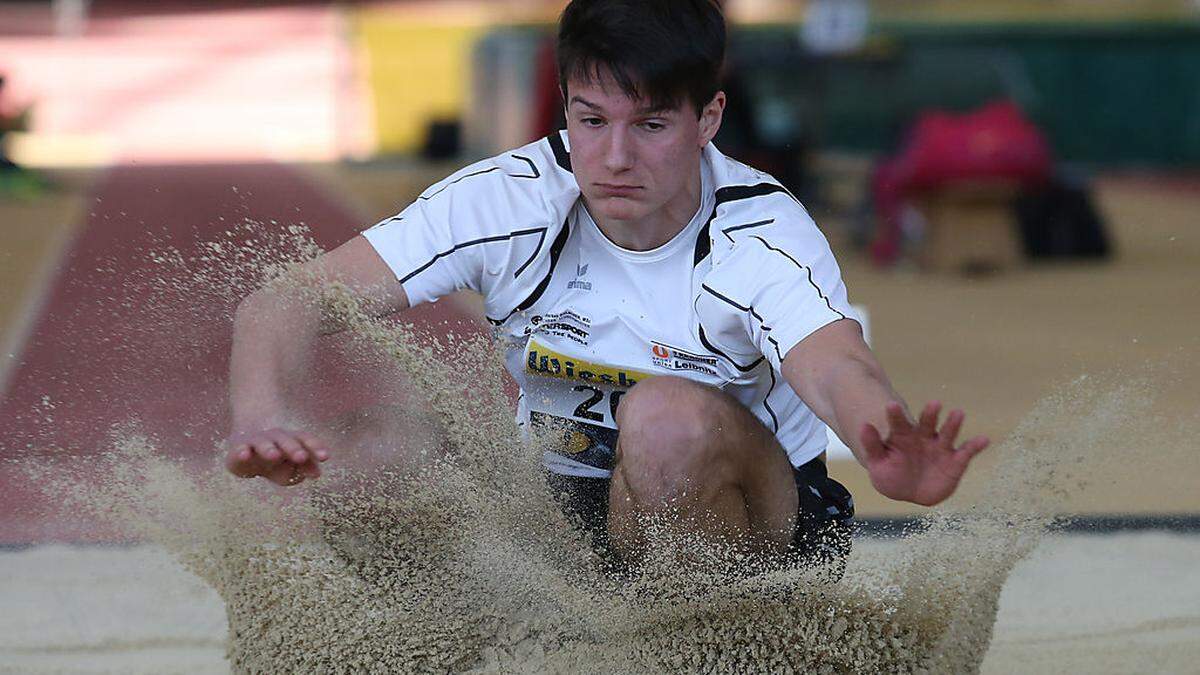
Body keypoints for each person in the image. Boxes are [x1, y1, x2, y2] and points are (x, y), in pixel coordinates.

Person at [224, 0, 988, 567]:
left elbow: (832, 361)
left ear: (709, 118)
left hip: (756, 526)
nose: (615, 157)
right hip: (560, 509)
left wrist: (873, 431)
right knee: (373, 451)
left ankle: (701, 649)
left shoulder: (760, 234)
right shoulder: (508, 198)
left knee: (662, 420)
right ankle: (449, 645)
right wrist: (263, 415)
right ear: (564, 110)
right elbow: (289, 298)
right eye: (591, 121)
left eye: (651, 125)